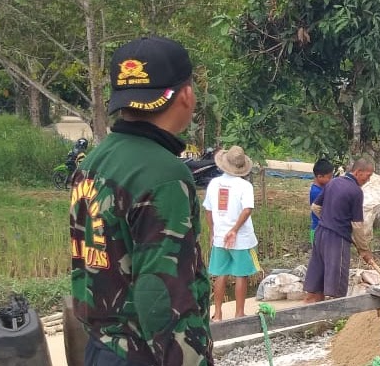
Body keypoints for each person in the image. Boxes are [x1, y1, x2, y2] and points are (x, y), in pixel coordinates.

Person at [68, 35, 212, 365]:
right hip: (144, 353)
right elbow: (161, 296)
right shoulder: (165, 175)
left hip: (100, 347)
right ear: (187, 95)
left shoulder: (92, 163)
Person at [304, 159, 377, 302]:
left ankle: (314, 313)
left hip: (320, 234)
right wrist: (364, 249)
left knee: (317, 280)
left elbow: (315, 207)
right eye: (367, 176)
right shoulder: (356, 192)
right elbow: (357, 225)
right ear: (358, 172)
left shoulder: (333, 182)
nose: (368, 180)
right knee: (336, 285)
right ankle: (334, 318)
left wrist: (328, 219)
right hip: (337, 240)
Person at [203, 146, 261, 321]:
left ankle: (218, 313)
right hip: (241, 239)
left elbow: (208, 210)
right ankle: (239, 313)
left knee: (221, 274)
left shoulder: (214, 184)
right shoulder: (245, 186)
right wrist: (234, 230)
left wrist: (213, 232)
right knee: (241, 274)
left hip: (220, 236)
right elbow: (247, 209)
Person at [309, 158, 335, 241]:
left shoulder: (323, 188)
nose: (332, 179)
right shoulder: (316, 192)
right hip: (319, 230)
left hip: (324, 229)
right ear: (320, 177)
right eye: (330, 177)